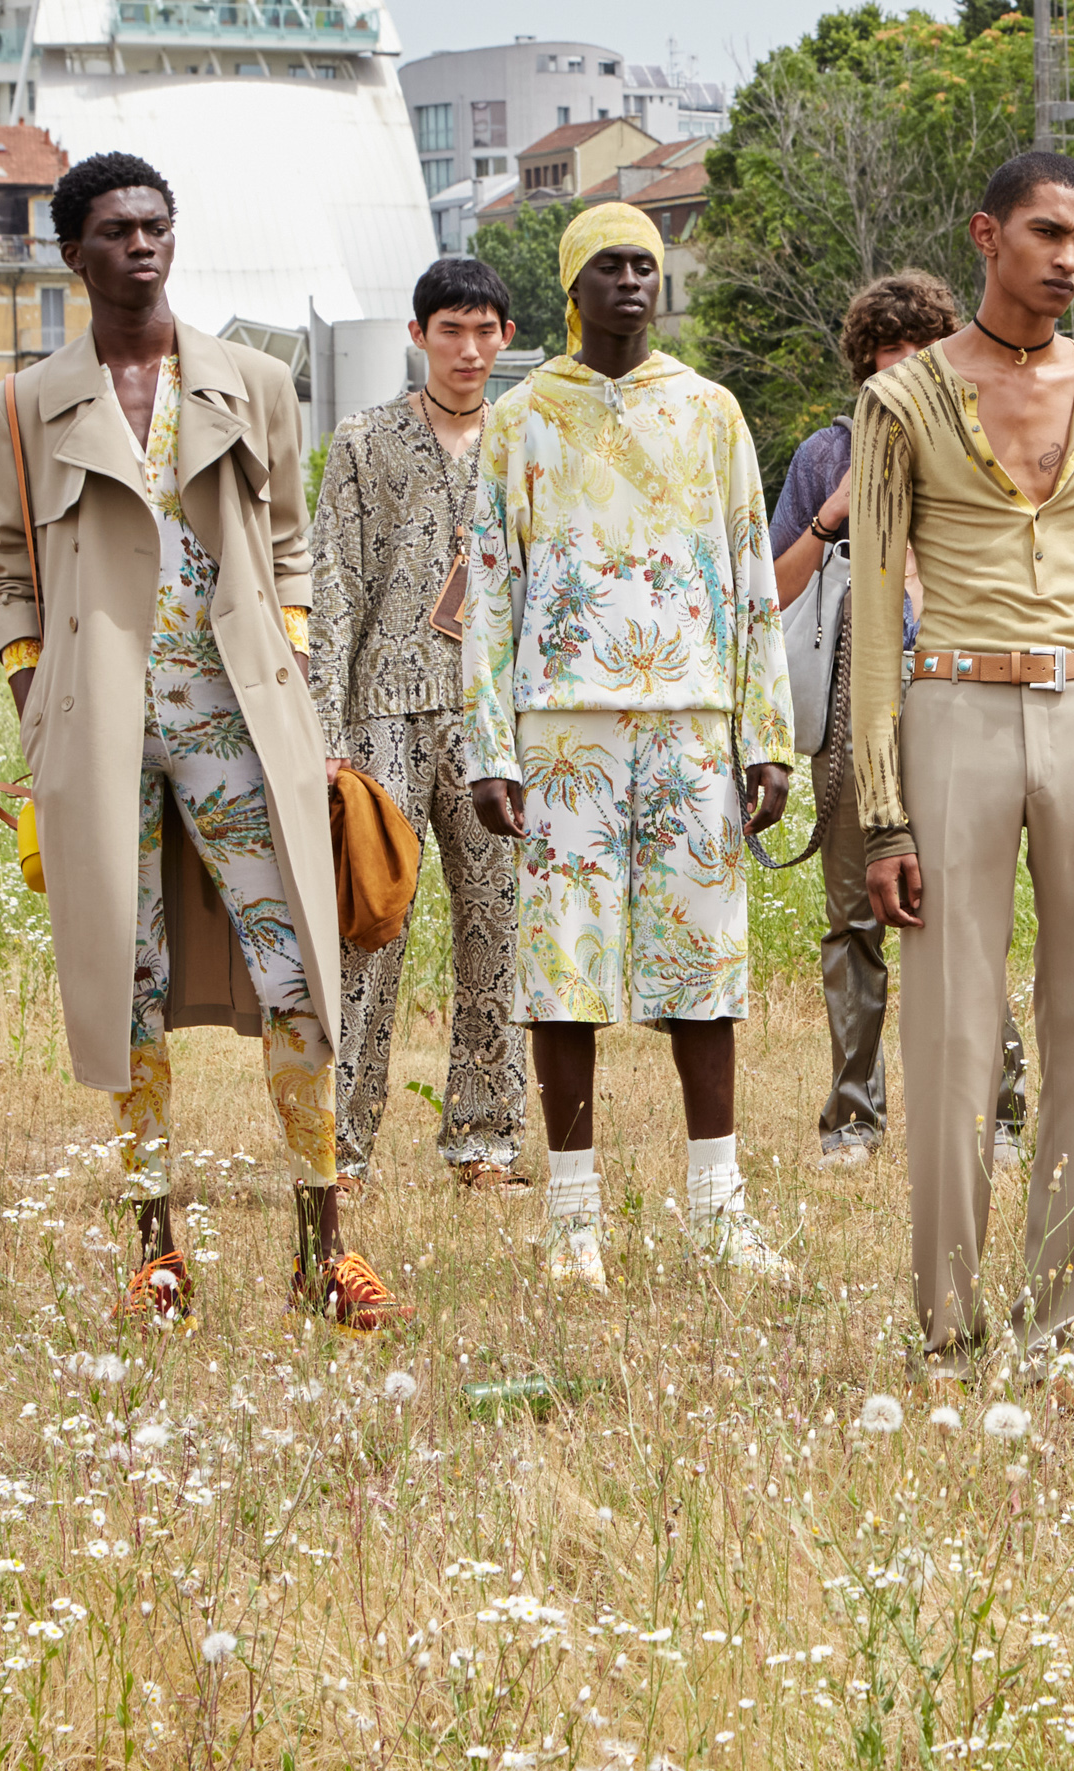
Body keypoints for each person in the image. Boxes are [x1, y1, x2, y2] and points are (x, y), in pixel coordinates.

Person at [0, 151, 409, 1330]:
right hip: (96, 727)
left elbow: (286, 542)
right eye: (117, 230)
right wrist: (38, 697)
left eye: (157, 226)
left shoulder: (256, 382)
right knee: (124, 980)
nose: (143, 246)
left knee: (300, 970)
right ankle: (154, 1248)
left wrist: (292, 671)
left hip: (236, 711)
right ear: (75, 253)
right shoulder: (29, 401)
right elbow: (9, 569)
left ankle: (326, 1245)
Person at [850, 151, 1074, 1379]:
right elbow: (874, 616)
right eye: (1050, 235)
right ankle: (946, 1323)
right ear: (987, 236)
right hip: (955, 710)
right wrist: (881, 817)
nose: (1071, 262)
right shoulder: (901, 404)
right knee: (947, 1027)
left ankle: (1064, 1323)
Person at [461, 201, 799, 1294]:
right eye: (610, 265)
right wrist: (488, 748)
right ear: (573, 285)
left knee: (705, 971)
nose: (633, 281)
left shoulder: (711, 412)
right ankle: (570, 1227)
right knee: (564, 976)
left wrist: (769, 737)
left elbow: (753, 576)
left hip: (695, 725)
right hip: (563, 729)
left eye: (647, 265)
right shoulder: (521, 421)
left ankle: (720, 1211)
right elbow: (487, 592)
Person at [768, 271, 1028, 1173]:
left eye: (925, 357)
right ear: (866, 368)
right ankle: (852, 1116)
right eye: (891, 360)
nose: (908, 375)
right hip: (850, 715)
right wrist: (833, 518)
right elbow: (771, 594)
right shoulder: (820, 458)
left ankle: (999, 1109)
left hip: (964, 703)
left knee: (969, 913)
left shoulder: (989, 450)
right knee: (852, 921)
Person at [310, 256, 531, 1205]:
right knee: (371, 928)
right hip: (382, 716)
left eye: (486, 331)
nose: (469, 349)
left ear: (508, 339)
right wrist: (328, 732)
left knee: (498, 932)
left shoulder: (531, 442)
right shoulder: (364, 442)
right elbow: (334, 585)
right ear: (418, 336)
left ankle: (483, 1139)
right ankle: (342, 1151)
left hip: (497, 721)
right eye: (451, 330)